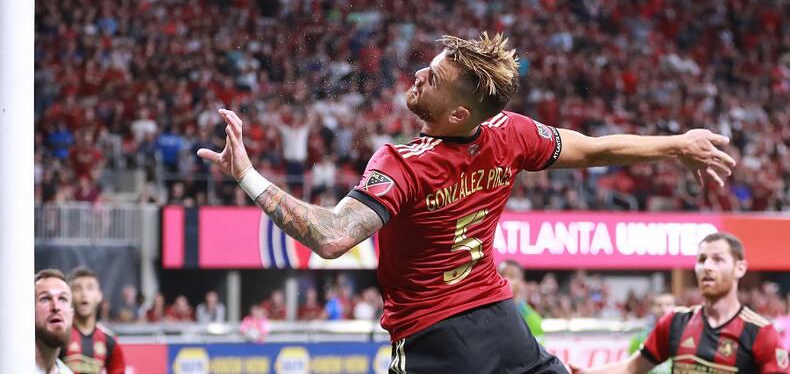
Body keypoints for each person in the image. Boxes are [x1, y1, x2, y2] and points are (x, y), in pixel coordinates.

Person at [198, 33, 736, 373]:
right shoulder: (510, 133)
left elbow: (333, 236)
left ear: (457, 115)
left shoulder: (402, 162)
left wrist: (245, 174)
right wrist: (675, 145)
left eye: (430, 79)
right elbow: (594, 148)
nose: (418, 76)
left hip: (435, 340)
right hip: (503, 323)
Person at [573, 233, 789, 373]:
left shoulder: (761, 333)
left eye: (718, 259)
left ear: (740, 268)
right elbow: (632, 367)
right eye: (702, 260)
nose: (707, 267)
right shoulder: (676, 322)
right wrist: (583, 373)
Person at [61, 268, 125, 374]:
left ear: (99, 296)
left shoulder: (109, 341)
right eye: (77, 288)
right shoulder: (59, 337)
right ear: (68, 295)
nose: (84, 293)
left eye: (90, 288)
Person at [35, 269, 75, 374]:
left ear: (71, 314)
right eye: (45, 299)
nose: (56, 307)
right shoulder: (10, 367)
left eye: (62, 299)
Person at [626, 293, 676, 374]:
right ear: (652, 308)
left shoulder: (683, 337)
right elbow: (631, 368)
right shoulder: (639, 339)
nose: (663, 308)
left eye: (668, 304)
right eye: (659, 305)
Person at [499, 260, 546, 344]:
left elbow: (538, 354)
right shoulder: (488, 313)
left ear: (521, 282)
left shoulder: (531, 318)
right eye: (501, 275)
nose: (504, 279)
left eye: (511, 276)